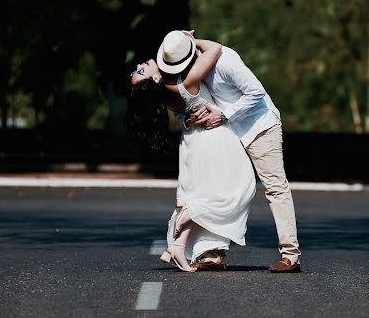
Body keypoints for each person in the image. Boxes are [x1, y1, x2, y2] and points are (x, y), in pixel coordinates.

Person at [166, 30, 302, 273]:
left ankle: (290, 255)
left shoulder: (225, 60)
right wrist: (186, 119)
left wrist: (224, 114)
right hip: (228, 134)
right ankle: (213, 255)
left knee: (275, 187)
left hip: (259, 128)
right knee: (216, 189)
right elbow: (184, 103)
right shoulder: (190, 71)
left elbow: (256, 92)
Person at [126, 32, 256, 272]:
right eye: (140, 71)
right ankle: (189, 216)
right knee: (239, 188)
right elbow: (215, 49)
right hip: (214, 139)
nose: (139, 65)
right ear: (155, 78)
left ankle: (180, 243)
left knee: (205, 192)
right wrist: (188, 41)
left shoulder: (166, 93)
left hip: (192, 144)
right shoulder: (186, 82)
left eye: (136, 69)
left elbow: (182, 113)